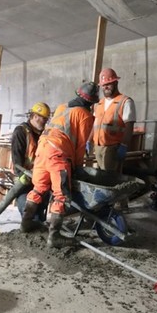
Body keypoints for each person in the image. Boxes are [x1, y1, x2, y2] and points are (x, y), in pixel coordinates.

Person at [20, 81, 99, 248]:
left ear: (78, 94)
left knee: (38, 188)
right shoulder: (85, 115)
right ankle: (54, 237)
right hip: (58, 154)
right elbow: (79, 145)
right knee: (61, 196)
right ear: (91, 102)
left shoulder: (63, 107)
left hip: (42, 149)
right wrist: (77, 167)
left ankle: (25, 224)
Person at [88, 68, 136, 210]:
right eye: (103, 85)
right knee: (104, 178)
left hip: (113, 147)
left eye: (108, 84)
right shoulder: (100, 103)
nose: (106, 87)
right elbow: (95, 124)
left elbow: (129, 126)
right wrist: (89, 140)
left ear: (115, 83)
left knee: (113, 178)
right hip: (99, 146)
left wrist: (124, 145)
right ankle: (114, 205)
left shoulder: (125, 102)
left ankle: (120, 206)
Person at [11, 101, 51, 220]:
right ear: (34, 116)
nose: (44, 122)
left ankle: (39, 228)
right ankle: (30, 228)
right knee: (27, 208)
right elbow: (16, 160)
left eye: (46, 119)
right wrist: (22, 176)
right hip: (25, 179)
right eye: (42, 118)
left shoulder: (44, 134)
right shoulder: (21, 132)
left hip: (40, 178)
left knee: (41, 207)